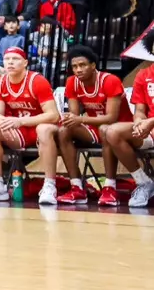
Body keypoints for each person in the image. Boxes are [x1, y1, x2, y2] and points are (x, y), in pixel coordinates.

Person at [0, 47, 60, 203]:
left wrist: (20, 121)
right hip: (19, 130)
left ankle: (49, 186)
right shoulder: (0, 82)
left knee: (43, 129)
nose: (10, 62)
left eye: (15, 59)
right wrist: (3, 123)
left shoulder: (37, 81)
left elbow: (53, 115)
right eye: (7, 59)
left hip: (41, 128)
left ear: (25, 63)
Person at [51, 46, 129, 205]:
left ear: (93, 65)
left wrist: (80, 120)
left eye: (82, 65)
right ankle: (77, 187)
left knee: (105, 129)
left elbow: (111, 118)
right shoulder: (72, 82)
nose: (78, 70)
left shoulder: (110, 80)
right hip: (95, 127)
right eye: (74, 66)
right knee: (64, 130)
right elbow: (74, 115)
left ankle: (110, 188)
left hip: (121, 128)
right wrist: (68, 118)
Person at [100, 65, 154, 208]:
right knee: (111, 132)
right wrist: (139, 123)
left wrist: (151, 122)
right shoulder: (144, 74)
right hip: (151, 130)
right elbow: (140, 110)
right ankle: (144, 182)